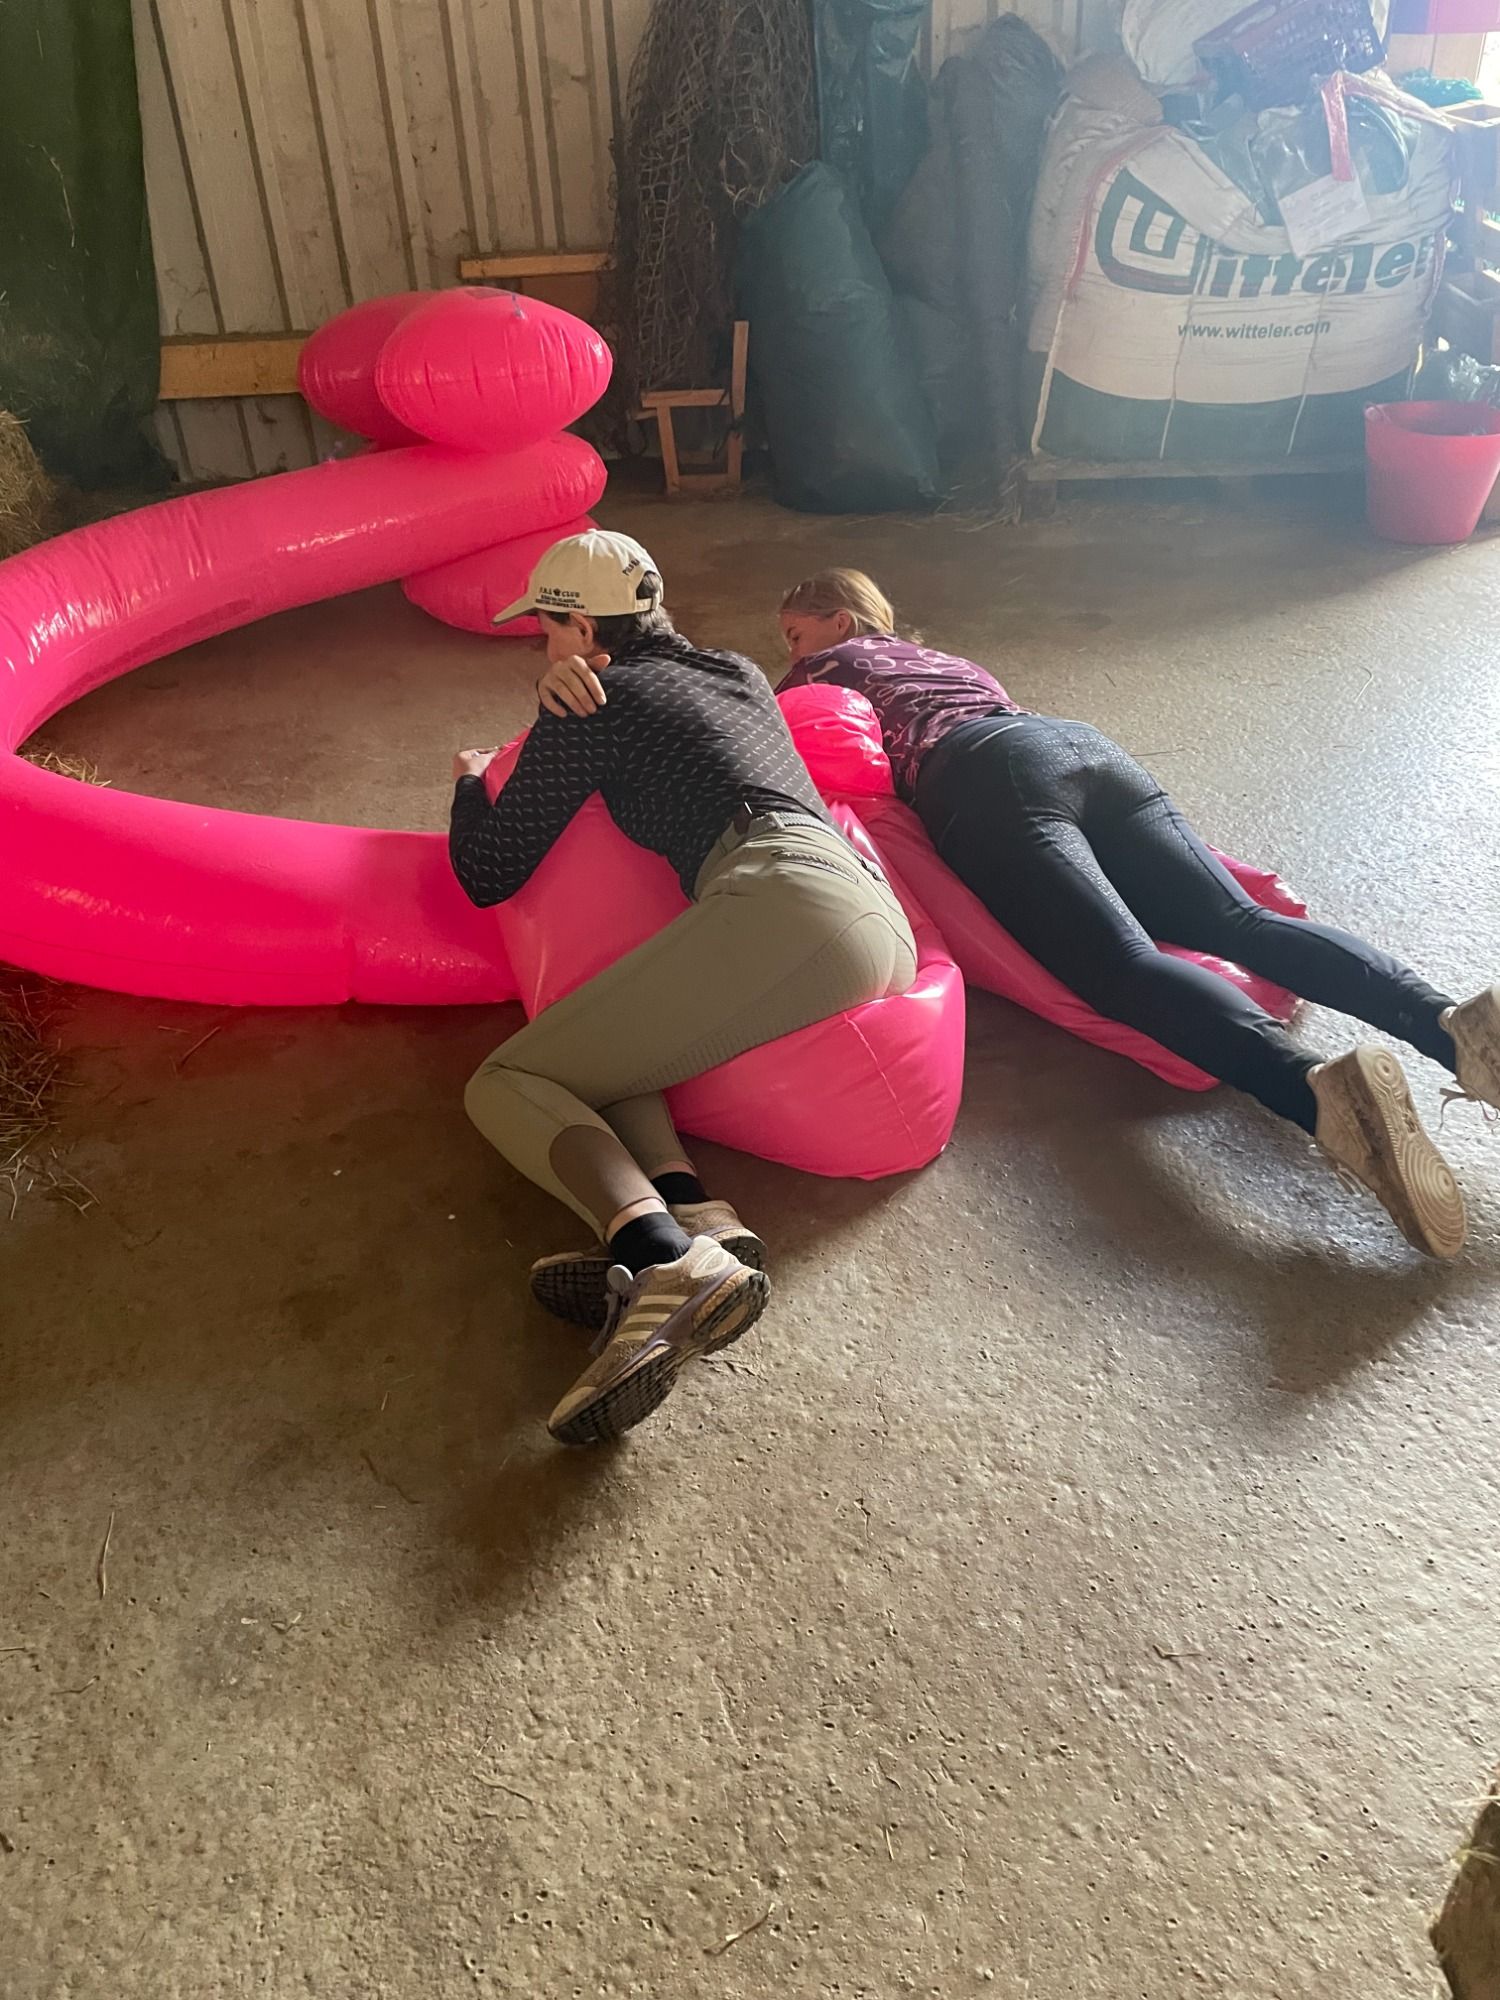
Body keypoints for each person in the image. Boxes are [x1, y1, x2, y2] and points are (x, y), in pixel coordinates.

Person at [766, 567, 1500, 1260]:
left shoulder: (821, 672)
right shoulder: (943, 662)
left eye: (795, 634)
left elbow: (788, 745)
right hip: (1079, 747)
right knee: (1237, 922)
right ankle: (1451, 1024)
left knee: (1121, 966)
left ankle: (1315, 1094)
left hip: (982, 777)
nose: (790, 654)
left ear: (840, 620)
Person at [449, 533, 917, 1445]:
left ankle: (659, 1257)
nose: (543, 649)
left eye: (547, 632)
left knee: (504, 1082)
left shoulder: (587, 701)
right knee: (605, 1046)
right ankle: (693, 1209)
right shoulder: (737, 669)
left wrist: (472, 783)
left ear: (583, 629)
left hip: (784, 905)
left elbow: (488, 871)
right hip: (866, 910)